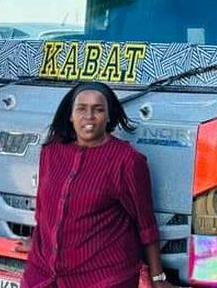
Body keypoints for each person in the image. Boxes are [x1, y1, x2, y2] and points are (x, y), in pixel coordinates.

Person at [20, 82, 172, 288]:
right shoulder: (52, 151)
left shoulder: (127, 161)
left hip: (102, 277)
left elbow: (146, 225)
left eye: (98, 110)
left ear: (109, 116)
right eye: (81, 109)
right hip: (45, 274)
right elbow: (44, 208)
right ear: (71, 115)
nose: (89, 116)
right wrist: (38, 240)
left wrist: (157, 278)